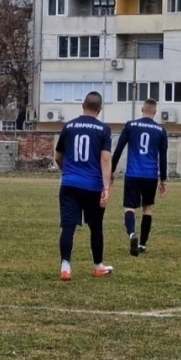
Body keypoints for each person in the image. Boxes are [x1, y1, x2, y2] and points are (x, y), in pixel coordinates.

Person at [55, 92, 113, 281]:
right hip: (93, 186)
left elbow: (58, 156)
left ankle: (65, 267)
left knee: (68, 226)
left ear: (83, 105)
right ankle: (97, 266)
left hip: (69, 184)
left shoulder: (68, 126)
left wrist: (67, 172)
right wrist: (106, 187)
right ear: (100, 109)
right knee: (96, 227)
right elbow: (105, 159)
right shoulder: (103, 129)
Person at [111, 99, 168, 257]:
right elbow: (163, 157)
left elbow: (118, 149)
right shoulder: (160, 130)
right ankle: (142, 244)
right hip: (150, 175)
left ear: (142, 110)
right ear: (155, 112)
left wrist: (111, 170)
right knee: (147, 208)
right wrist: (163, 180)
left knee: (129, 208)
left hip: (133, 174)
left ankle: (132, 234)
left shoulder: (131, 126)